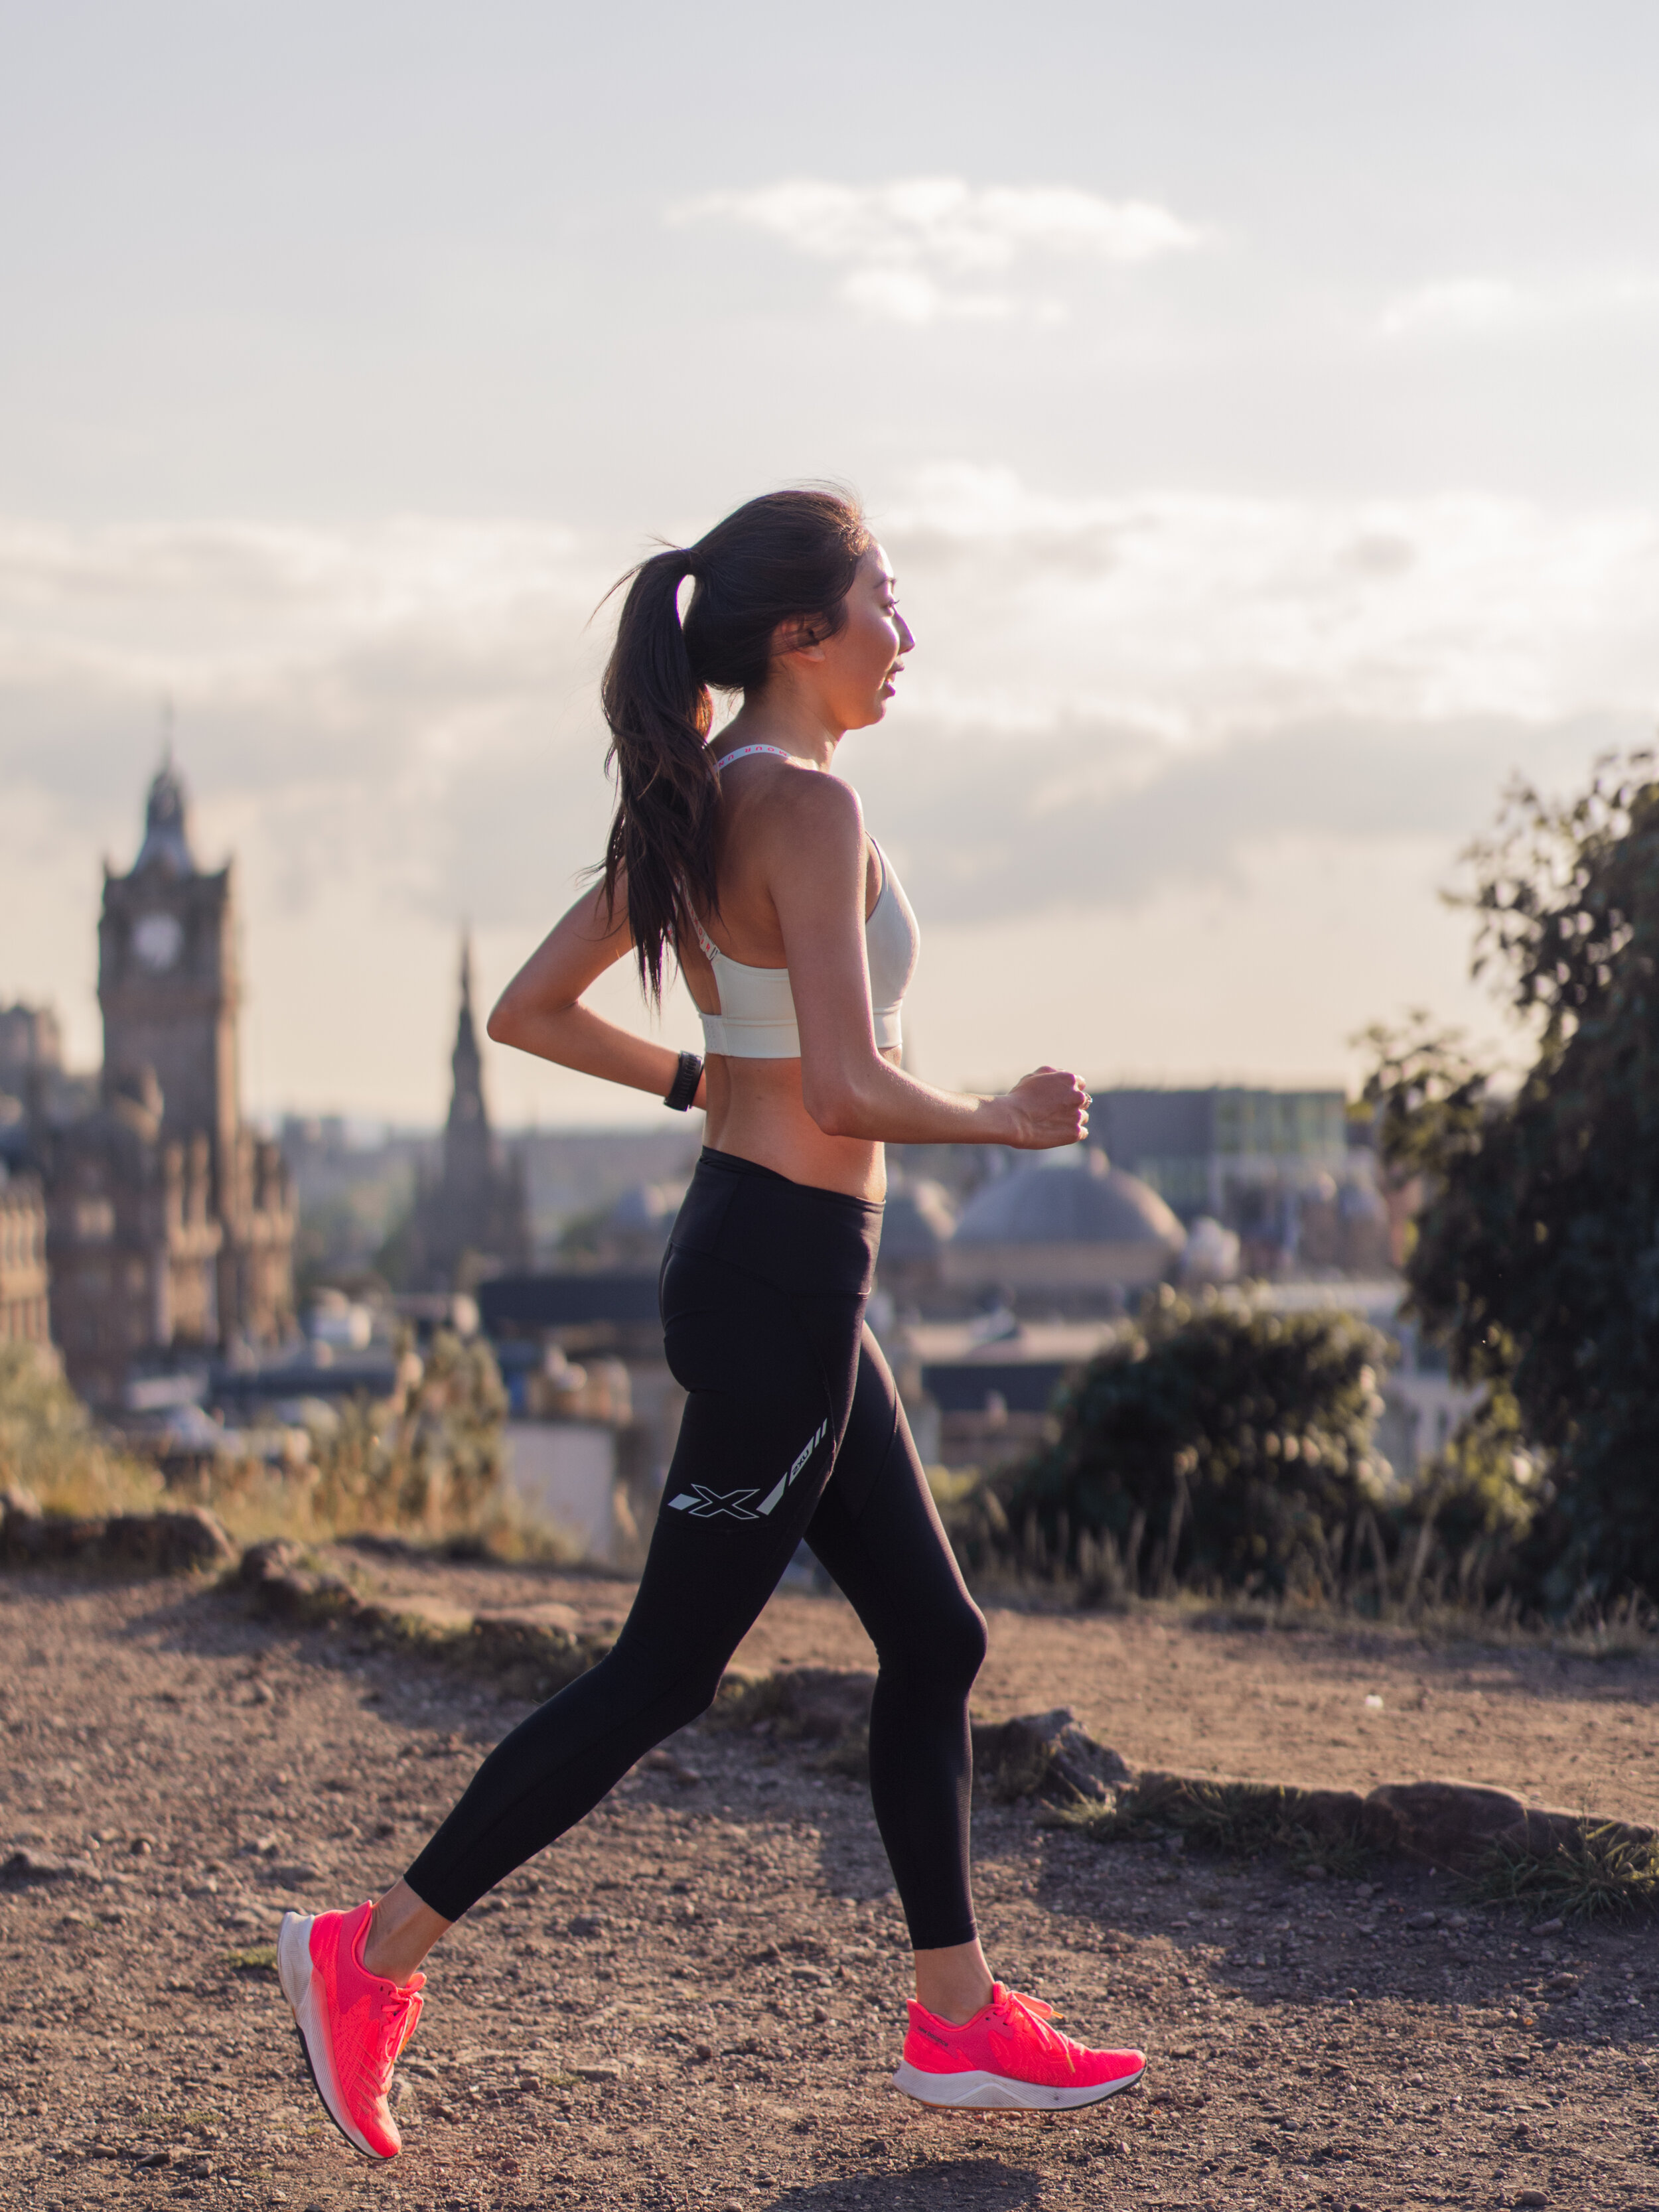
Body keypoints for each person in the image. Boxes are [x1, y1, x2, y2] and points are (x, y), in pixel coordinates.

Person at [276, 487, 1147, 2160]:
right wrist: (1004, 1118)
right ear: (801, 633)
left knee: (937, 1639)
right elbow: (838, 1081)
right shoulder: (806, 809)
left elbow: (527, 1011)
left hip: (777, 1259)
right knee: (661, 1674)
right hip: (782, 1276)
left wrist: (692, 1074)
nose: (908, 632)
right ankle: (367, 1951)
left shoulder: (706, 799)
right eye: (888, 597)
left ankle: (956, 2016)